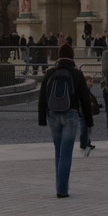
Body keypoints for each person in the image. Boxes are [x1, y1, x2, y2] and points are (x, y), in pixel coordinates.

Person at [38, 44, 93, 198]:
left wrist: (42, 118)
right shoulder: (77, 74)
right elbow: (84, 99)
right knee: (66, 153)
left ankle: (59, 186)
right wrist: (88, 121)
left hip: (52, 115)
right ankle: (62, 189)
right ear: (72, 57)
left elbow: (42, 97)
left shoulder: (49, 73)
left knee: (58, 151)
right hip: (71, 115)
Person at [78, 75, 100, 156]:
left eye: (92, 81)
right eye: (90, 81)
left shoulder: (87, 91)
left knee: (88, 129)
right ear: (85, 82)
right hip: (83, 113)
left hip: (86, 112)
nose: (92, 83)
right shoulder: (84, 91)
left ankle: (87, 142)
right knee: (84, 128)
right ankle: (84, 143)